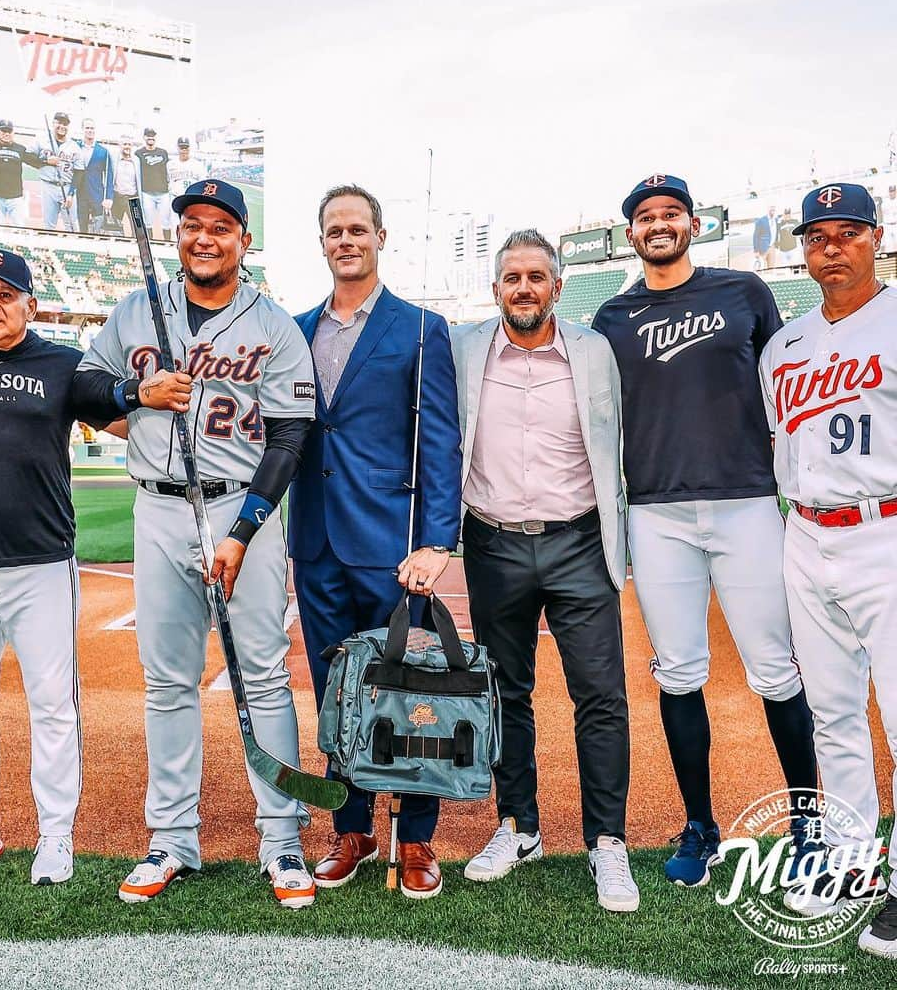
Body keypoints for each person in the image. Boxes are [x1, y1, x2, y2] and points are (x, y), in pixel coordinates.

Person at [76, 178, 319, 909]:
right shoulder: (133, 312)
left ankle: (282, 841)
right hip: (157, 508)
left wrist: (245, 532)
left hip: (245, 509)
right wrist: (135, 394)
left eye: (220, 225)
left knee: (266, 679)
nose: (203, 237)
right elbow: (83, 389)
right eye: (191, 225)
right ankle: (172, 838)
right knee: (168, 682)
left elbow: (290, 435)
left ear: (243, 240)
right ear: (178, 236)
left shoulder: (273, 324)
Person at [0, 248, 188, 887]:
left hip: (39, 561)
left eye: (3, 293)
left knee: (52, 706)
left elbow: (125, 414)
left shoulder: (62, 365)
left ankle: (56, 835)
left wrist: (158, 391)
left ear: (29, 304)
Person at [591, 173, 819, 888]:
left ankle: (808, 823)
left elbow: (788, 381)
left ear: (693, 223)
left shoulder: (743, 293)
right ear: (629, 233)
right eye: (645, 217)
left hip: (746, 501)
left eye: (671, 213)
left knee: (774, 669)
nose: (658, 224)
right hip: (657, 513)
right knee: (680, 671)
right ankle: (700, 826)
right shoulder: (611, 319)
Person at [452, 229, 637, 912]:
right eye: (511, 277)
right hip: (494, 542)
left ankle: (607, 842)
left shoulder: (594, 351)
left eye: (536, 276)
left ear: (557, 286)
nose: (523, 288)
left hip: (579, 540)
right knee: (504, 691)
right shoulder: (465, 348)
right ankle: (518, 826)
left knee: (600, 694)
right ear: (495, 288)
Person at [288, 184, 462, 900]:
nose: (346, 240)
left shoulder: (421, 328)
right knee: (336, 695)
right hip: (318, 540)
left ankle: (416, 837)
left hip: (393, 545)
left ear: (380, 237)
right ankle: (353, 829)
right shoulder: (293, 328)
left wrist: (438, 540)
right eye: (334, 230)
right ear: (323, 242)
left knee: (407, 690)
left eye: (358, 228)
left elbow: (441, 440)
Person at [760, 184, 897, 958]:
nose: (832, 247)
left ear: (875, 238)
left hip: (889, 528)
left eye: (848, 233)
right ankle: (851, 864)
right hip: (807, 536)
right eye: (818, 235)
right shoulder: (786, 345)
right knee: (835, 717)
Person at [31, 111, 78, 231]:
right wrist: (46, 160)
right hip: (48, 186)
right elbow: (27, 157)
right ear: (53, 123)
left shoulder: (73, 146)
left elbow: (79, 172)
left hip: (66, 187)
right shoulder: (41, 140)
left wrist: (71, 193)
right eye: (59, 123)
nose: (62, 126)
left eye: (65, 124)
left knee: (72, 225)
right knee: (49, 225)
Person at [74, 119, 114, 233]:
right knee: (82, 227)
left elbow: (109, 175)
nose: (90, 130)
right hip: (80, 194)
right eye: (87, 128)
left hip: (97, 195)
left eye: (92, 128)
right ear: (82, 129)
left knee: (98, 228)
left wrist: (109, 197)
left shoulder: (103, 152)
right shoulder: (75, 147)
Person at [135, 128, 172, 241]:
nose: (150, 137)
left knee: (166, 220)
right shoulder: (139, 153)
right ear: (144, 137)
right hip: (147, 192)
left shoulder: (163, 152)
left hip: (163, 192)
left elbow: (168, 170)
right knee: (148, 221)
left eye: (152, 135)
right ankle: (150, 243)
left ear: (156, 137)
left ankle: (167, 243)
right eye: (148, 135)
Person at [110, 136, 139, 235]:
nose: (127, 147)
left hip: (132, 198)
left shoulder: (136, 161)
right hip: (118, 196)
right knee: (116, 227)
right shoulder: (114, 159)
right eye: (124, 144)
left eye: (129, 144)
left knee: (136, 227)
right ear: (120, 145)